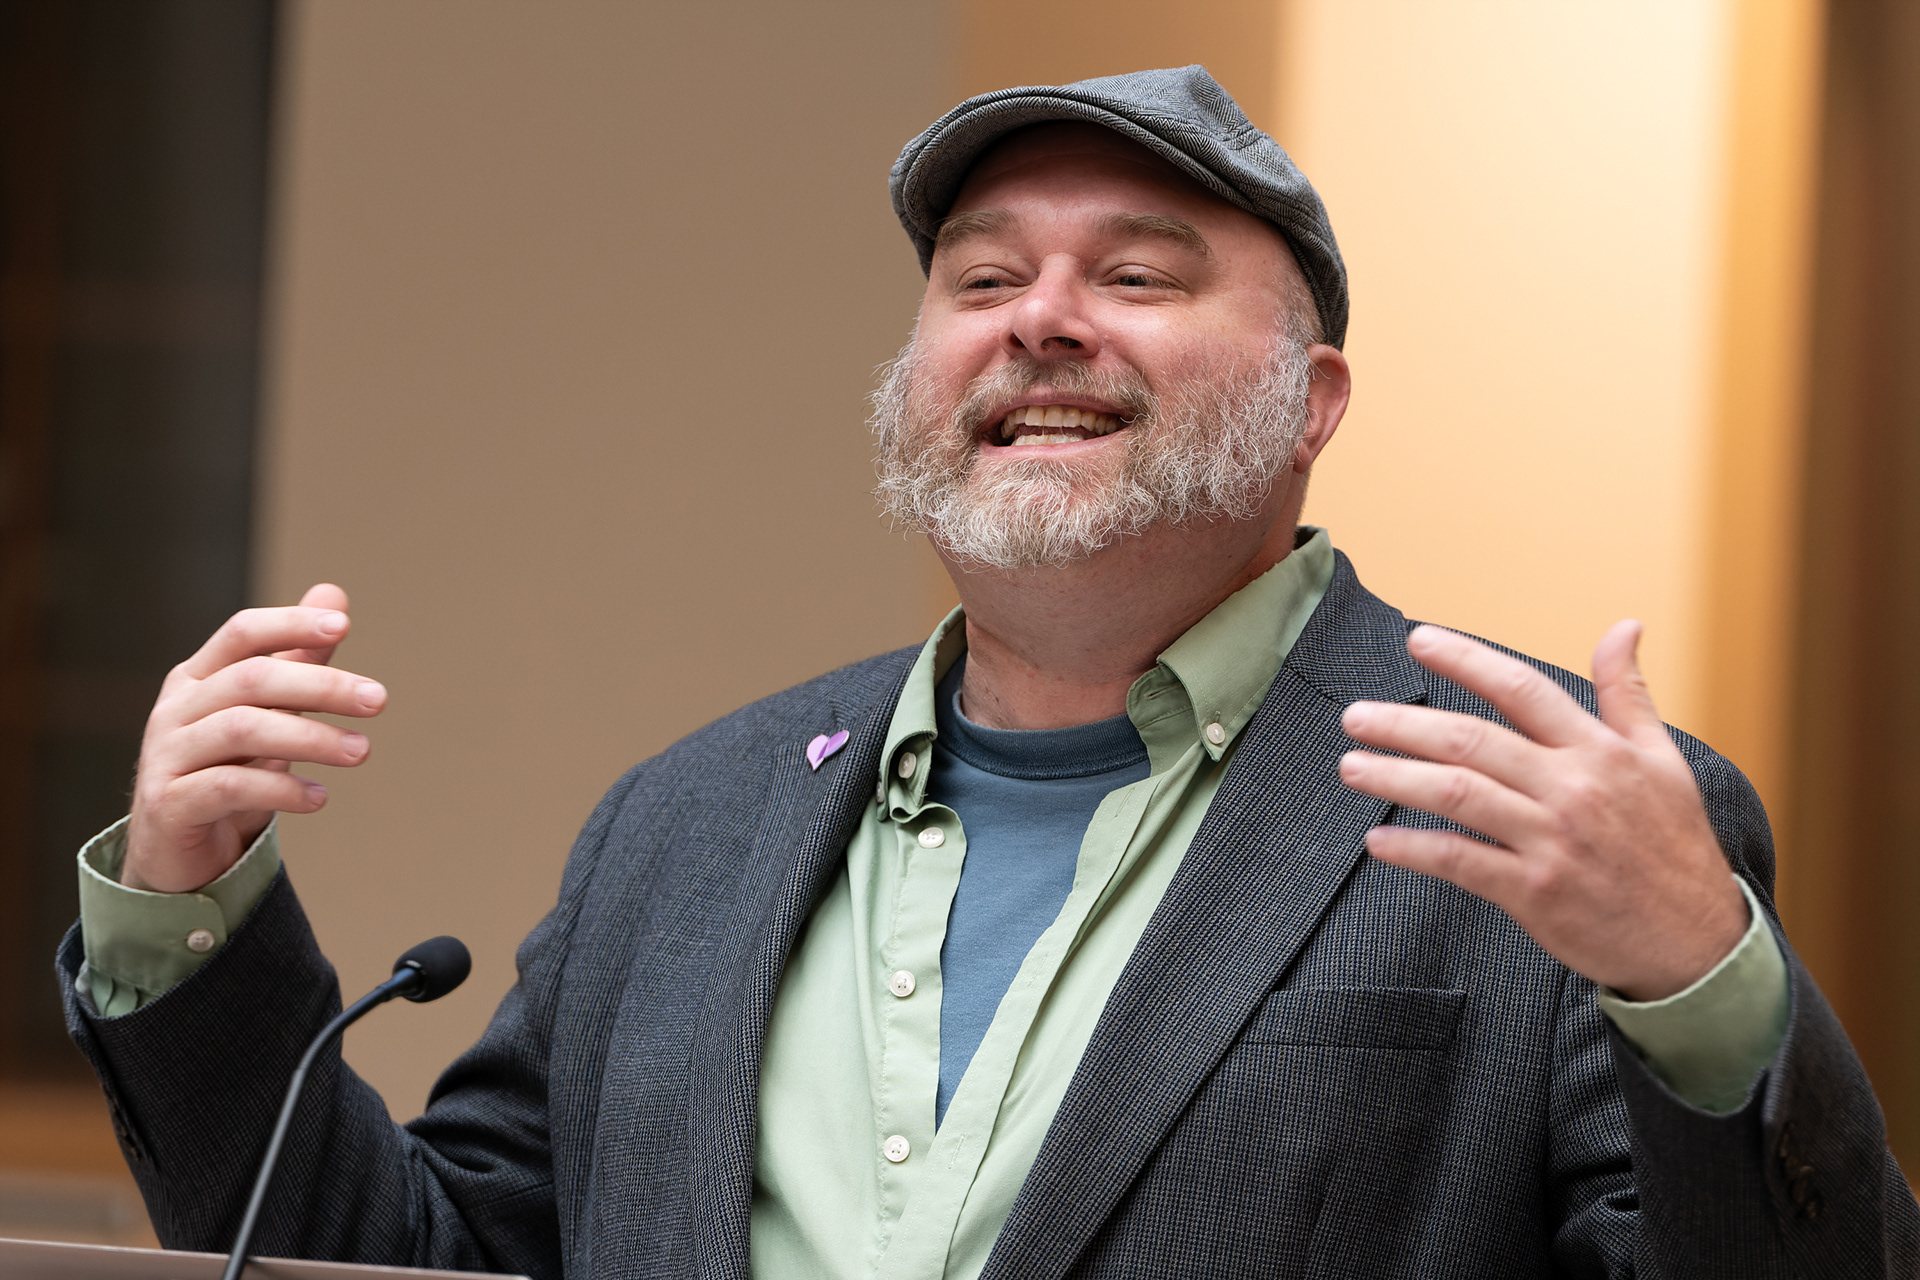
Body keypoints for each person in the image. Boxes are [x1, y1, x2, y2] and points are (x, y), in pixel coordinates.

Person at [60, 66, 1915, 1279]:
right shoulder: (685, 827)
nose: (1043, 317)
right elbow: (412, 1268)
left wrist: (1700, 985)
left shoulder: (1531, 803)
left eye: (1140, 272)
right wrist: (190, 912)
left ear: (1314, 404)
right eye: (981, 275)